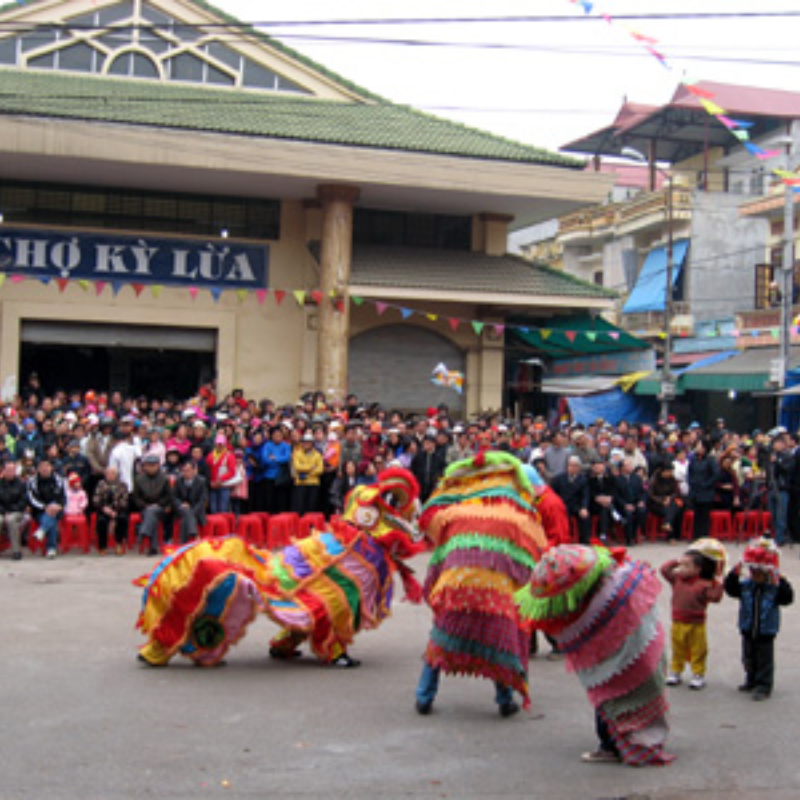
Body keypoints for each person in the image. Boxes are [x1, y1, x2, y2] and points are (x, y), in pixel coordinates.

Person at [724, 537, 794, 701]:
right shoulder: (746, 586)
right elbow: (731, 588)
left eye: (760, 572)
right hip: (747, 627)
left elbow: (788, 598)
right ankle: (751, 679)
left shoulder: (773, 589)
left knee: (764, 660)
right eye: (753, 571)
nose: (755, 575)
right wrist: (735, 571)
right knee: (748, 657)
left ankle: (764, 685)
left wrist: (781, 580)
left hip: (766, 630)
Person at [660, 541, 725, 690]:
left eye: (686, 566)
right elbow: (664, 569)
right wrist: (678, 561)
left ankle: (698, 674)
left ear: (698, 569)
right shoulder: (677, 579)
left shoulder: (704, 584)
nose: (681, 569)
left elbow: (715, 597)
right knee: (677, 648)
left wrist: (720, 583)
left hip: (696, 623)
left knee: (698, 650)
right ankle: (676, 671)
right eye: (681, 565)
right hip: (677, 621)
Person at [133, 453, 172, 556]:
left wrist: (158, 504)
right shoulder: (139, 479)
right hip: (145, 507)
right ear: (145, 466)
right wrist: (144, 505)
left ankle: (143, 531)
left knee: (152, 512)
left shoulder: (164, 478)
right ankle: (152, 547)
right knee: (151, 515)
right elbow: (136, 497)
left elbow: (168, 496)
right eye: (148, 465)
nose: (151, 468)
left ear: (158, 465)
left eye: (153, 465)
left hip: (161, 508)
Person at [27, 459, 66, 559]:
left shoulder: (59, 480)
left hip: (56, 509)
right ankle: (51, 548)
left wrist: (59, 506)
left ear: (51, 467)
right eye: (42, 466)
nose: (45, 469)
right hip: (39, 510)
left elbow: (63, 497)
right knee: (51, 519)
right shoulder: (32, 481)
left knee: (52, 512)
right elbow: (32, 499)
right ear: (38, 469)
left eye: (47, 466)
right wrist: (45, 507)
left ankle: (42, 530)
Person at [550, 456, 590, 543]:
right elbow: (552, 493)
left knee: (584, 517)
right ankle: (566, 539)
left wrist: (584, 507)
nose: (573, 468)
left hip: (576, 505)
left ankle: (584, 541)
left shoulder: (583, 479)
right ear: (567, 466)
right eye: (571, 465)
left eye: (575, 466)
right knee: (564, 515)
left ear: (579, 467)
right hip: (562, 504)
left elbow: (585, 495)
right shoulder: (559, 478)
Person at [93, 465, 129, 555]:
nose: (110, 475)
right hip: (104, 509)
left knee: (122, 519)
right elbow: (96, 499)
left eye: (112, 473)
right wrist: (104, 508)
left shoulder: (122, 485)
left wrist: (115, 511)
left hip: (118, 510)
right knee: (101, 521)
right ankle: (102, 546)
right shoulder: (101, 484)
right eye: (108, 473)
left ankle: (119, 544)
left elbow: (125, 500)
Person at [688, 439, 719, 541]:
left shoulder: (710, 460)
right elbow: (690, 473)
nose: (698, 448)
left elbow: (715, 475)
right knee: (697, 515)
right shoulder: (694, 459)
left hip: (706, 491)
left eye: (700, 446)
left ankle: (704, 536)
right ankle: (696, 536)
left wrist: (706, 484)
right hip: (695, 491)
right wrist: (692, 483)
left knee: (705, 516)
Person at [172, 459, 208, 544]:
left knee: (186, 516)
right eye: (183, 471)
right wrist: (181, 504)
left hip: (197, 509)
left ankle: (183, 543)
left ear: (194, 470)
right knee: (186, 511)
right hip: (182, 508)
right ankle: (195, 534)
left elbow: (203, 499)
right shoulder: (179, 481)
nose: (185, 473)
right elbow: (174, 497)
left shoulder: (201, 481)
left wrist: (193, 510)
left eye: (188, 471)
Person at [615, 456, 647, 546]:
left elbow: (642, 492)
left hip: (635, 503)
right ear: (622, 468)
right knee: (628, 514)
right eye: (627, 465)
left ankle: (634, 533)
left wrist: (641, 501)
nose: (630, 467)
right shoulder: (617, 479)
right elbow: (616, 496)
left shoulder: (636, 478)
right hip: (622, 505)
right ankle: (629, 538)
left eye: (630, 465)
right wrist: (625, 504)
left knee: (642, 511)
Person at [648, 462, 683, 543]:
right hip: (656, 504)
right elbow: (650, 495)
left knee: (673, 508)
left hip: (669, 502)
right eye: (668, 471)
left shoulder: (672, 479)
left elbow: (676, 492)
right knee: (671, 510)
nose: (669, 473)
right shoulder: (654, 479)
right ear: (662, 471)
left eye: (671, 472)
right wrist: (662, 500)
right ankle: (670, 536)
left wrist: (669, 498)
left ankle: (667, 525)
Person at [0, 460, 28, 560]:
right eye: (8, 470)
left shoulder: (21, 484)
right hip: (2, 511)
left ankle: (16, 550)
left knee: (11, 520)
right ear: (3, 471)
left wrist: (11, 510)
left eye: (12, 470)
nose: (10, 472)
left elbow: (24, 501)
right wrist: (3, 511)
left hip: (16, 511)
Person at [291, 432, 324, 516]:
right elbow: (297, 467)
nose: (307, 444)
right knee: (300, 508)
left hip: (313, 484)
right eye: (305, 442)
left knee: (312, 508)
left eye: (309, 442)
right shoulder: (297, 453)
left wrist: (305, 470)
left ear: (312, 443)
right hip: (301, 484)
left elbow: (320, 469)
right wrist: (310, 468)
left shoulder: (318, 455)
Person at [206, 433, 236, 514]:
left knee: (223, 509)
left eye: (221, 444)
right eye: (218, 444)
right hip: (212, 485)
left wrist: (220, 479)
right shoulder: (210, 456)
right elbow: (207, 470)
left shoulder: (229, 456)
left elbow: (232, 471)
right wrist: (210, 482)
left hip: (224, 486)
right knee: (213, 509)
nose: (219, 446)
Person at [411, 433, 445, 504]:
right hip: (420, 488)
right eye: (425, 443)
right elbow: (413, 471)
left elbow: (442, 472)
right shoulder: (418, 457)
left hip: (433, 488)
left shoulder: (439, 458)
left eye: (428, 443)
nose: (426, 445)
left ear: (433, 444)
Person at [588, 459, 616, 542]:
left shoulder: (611, 478)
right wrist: (597, 498)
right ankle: (603, 533)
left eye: (600, 466)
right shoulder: (589, 478)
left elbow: (614, 491)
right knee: (605, 509)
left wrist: (609, 498)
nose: (597, 468)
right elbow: (589, 492)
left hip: (608, 502)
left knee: (606, 509)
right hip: (594, 504)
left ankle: (605, 532)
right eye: (595, 467)